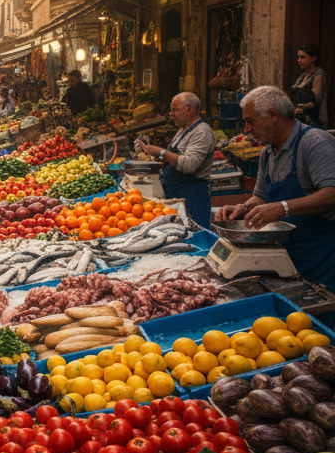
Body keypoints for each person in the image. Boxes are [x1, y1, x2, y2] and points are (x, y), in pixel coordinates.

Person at [215, 86, 335, 290]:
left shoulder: (314, 143)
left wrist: (282, 208)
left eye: (250, 121)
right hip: (286, 257)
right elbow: (260, 197)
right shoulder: (267, 153)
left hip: (322, 258)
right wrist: (244, 208)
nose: (246, 130)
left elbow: (331, 193)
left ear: (273, 115)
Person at [136, 92, 216, 228]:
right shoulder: (183, 129)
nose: (171, 114)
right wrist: (151, 153)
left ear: (189, 109)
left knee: (195, 236)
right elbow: (173, 158)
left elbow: (190, 165)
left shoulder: (202, 132)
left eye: (175, 110)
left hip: (191, 195)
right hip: (176, 192)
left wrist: (161, 151)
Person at [292, 43, 329, 129]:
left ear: (314, 58)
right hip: (301, 120)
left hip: (315, 122)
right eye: (298, 57)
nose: (298, 60)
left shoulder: (319, 74)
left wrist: (304, 107)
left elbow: (316, 100)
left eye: (302, 57)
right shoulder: (302, 76)